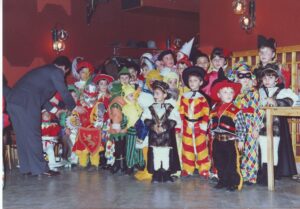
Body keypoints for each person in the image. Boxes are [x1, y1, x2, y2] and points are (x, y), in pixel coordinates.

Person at [6, 56, 76, 177]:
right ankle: (41, 168)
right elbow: (64, 92)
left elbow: (41, 98)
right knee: (33, 135)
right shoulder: (56, 71)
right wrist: (73, 106)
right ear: (65, 68)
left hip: (13, 102)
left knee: (22, 136)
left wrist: (56, 111)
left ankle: (27, 167)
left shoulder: (43, 72)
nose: (63, 76)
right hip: (27, 103)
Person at [257, 63, 298, 185]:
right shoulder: (258, 92)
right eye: (264, 78)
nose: (267, 80)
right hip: (260, 127)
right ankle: (264, 174)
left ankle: (272, 174)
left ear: (276, 79)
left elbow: (290, 101)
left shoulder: (282, 91)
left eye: (270, 77)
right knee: (263, 150)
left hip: (275, 129)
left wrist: (276, 101)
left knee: (273, 150)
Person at [228, 61, 264, 185]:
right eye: (241, 76)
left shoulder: (254, 92)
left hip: (250, 124)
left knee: (251, 150)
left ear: (251, 77)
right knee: (238, 149)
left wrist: (256, 127)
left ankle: (251, 175)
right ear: (236, 77)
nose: (244, 79)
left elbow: (259, 111)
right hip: (236, 124)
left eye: (247, 76)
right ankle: (240, 173)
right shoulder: (233, 94)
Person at [209, 78, 246, 192]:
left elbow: (241, 126)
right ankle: (222, 180)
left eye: (231, 92)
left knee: (231, 163)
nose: (229, 94)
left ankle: (233, 182)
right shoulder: (214, 109)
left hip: (230, 141)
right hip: (217, 141)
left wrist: (240, 140)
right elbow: (211, 124)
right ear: (218, 94)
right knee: (219, 162)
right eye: (225, 92)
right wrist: (211, 135)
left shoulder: (236, 110)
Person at [142, 80, 181, 183]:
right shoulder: (150, 108)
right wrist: (153, 126)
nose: (155, 95)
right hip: (154, 137)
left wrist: (165, 127)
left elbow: (174, 119)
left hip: (166, 137)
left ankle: (166, 174)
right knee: (156, 155)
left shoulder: (170, 108)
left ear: (165, 94)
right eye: (154, 93)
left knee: (165, 155)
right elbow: (145, 118)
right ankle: (156, 175)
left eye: (158, 93)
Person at [180, 66, 211, 178]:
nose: (192, 83)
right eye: (190, 81)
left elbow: (206, 112)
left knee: (201, 146)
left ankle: (203, 168)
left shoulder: (202, 98)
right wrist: (182, 126)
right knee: (187, 146)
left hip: (199, 125)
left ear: (201, 82)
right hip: (187, 125)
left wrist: (204, 125)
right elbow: (182, 111)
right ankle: (187, 168)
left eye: (195, 81)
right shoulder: (184, 97)